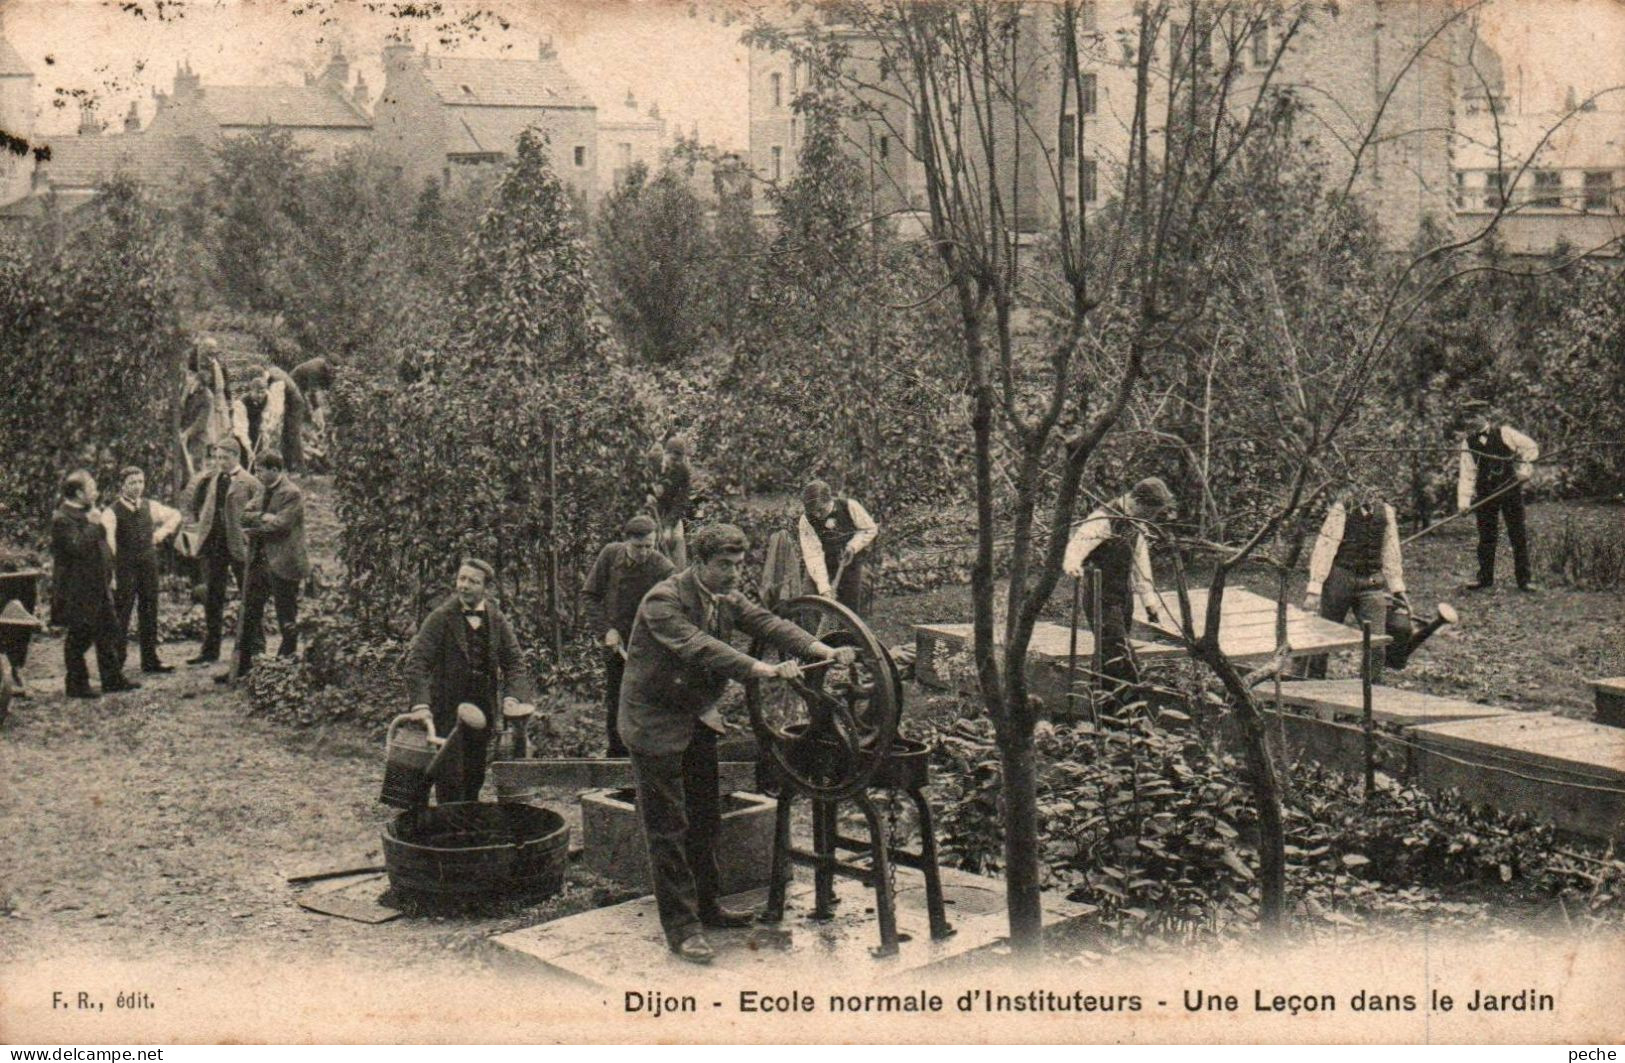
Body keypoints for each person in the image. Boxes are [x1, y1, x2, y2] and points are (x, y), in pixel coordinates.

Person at [619, 523, 856, 964]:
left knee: (706, 817)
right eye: (724, 565)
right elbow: (699, 647)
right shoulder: (662, 601)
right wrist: (759, 669)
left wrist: (817, 649)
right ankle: (683, 929)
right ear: (699, 563)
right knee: (668, 828)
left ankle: (708, 907)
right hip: (654, 723)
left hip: (696, 717)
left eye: (738, 564)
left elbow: (767, 622)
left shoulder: (726, 595)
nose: (733, 574)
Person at [405, 558, 537, 804]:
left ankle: (466, 827)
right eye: (461, 579)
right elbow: (417, 664)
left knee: (475, 775)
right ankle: (451, 830)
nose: (464, 586)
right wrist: (421, 705)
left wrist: (512, 698)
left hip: (482, 713)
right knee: (449, 778)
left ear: (486, 588)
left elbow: (515, 663)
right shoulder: (441, 618)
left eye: (473, 581)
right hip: (447, 711)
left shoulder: (496, 620)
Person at [1061, 477, 1175, 706]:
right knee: (1121, 653)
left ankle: (1105, 709)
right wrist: (1072, 564)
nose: (1152, 518)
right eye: (1151, 511)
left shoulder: (1137, 524)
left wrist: (1150, 602)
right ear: (1138, 502)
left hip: (1123, 597)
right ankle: (1133, 707)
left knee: (1106, 654)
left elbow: (1140, 566)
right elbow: (1076, 546)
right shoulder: (1103, 518)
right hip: (1100, 595)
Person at [581, 514, 674, 757]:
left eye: (649, 546)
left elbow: (672, 611)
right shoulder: (610, 555)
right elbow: (590, 596)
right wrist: (606, 630)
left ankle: (648, 757)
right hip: (616, 644)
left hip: (650, 646)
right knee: (617, 699)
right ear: (626, 542)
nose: (644, 552)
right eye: (638, 547)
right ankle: (617, 757)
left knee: (647, 701)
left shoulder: (663, 568)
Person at [1302, 487, 1409, 681]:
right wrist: (1315, 588)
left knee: (1377, 644)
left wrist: (1397, 587)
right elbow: (1325, 548)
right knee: (1323, 637)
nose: (1369, 490)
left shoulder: (1386, 512)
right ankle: (1311, 686)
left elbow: (1391, 551)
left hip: (1371, 582)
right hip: (1340, 579)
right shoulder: (1341, 509)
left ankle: (1370, 692)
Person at [50, 470, 139, 698]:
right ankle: (76, 684)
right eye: (91, 488)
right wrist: (93, 525)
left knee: (109, 631)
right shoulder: (62, 518)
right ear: (79, 493)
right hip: (78, 590)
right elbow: (76, 548)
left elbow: (100, 547)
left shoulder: (88, 513)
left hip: (99, 585)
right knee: (79, 637)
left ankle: (112, 679)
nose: (96, 492)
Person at [180, 441, 263, 667]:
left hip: (238, 546)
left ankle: (255, 647)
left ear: (236, 456)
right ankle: (210, 650)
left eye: (225, 458)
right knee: (213, 597)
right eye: (217, 458)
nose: (220, 462)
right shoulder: (213, 479)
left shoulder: (251, 483)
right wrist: (199, 533)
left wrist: (248, 537)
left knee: (249, 594)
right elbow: (203, 509)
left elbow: (258, 515)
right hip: (215, 544)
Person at [228, 450, 308, 680]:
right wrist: (265, 517)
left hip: (284, 562)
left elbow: (282, 525)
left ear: (275, 470)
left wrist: (259, 522)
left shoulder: (292, 493)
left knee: (287, 616)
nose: (257, 475)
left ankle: (286, 667)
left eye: (261, 470)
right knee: (250, 612)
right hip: (259, 562)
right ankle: (245, 667)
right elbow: (244, 516)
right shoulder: (263, 488)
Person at [100, 466, 183, 674]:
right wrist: (111, 574)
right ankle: (116, 662)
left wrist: (159, 535)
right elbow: (109, 546)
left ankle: (150, 659)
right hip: (124, 567)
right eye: (132, 483)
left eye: (140, 482)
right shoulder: (111, 512)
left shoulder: (150, 506)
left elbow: (175, 515)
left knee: (149, 610)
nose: (137, 487)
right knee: (122, 612)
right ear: (122, 485)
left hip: (148, 565)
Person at [1457, 405, 1540, 592]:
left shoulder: (1505, 433)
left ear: (1485, 416)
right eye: (1467, 418)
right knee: (1486, 536)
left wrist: (1524, 471)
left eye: (1474, 416)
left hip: (1509, 490)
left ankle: (1524, 580)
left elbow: (1531, 447)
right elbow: (1467, 473)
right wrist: (1463, 503)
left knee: (1517, 534)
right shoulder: (1468, 443)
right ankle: (1484, 578)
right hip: (1486, 494)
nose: (1470, 421)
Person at [796, 480, 878, 612]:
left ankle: (844, 632)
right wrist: (824, 588)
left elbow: (869, 529)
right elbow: (813, 554)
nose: (817, 515)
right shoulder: (806, 520)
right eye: (812, 512)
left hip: (849, 562)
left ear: (829, 500)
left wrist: (853, 546)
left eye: (820, 510)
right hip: (820, 563)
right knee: (810, 600)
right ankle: (812, 632)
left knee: (848, 607)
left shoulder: (850, 506)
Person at [232, 365, 310, 473]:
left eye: (262, 391)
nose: (260, 395)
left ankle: (298, 468)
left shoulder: (274, 387)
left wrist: (267, 426)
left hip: (294, 404)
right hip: (245, 427)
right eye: (257, 391)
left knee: (292, 434)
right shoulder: (241, 404)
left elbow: (275, 411)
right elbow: (241, 429)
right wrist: (248, 449)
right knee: (246, 450)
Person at [648, 437, 692, 570]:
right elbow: (637, 480)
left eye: (679, 461)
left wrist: (668, 526)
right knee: (651, 541)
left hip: (671, 512)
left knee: (677, 539)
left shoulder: (684, 471)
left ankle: (678, 576)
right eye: (673, 459)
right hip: (648, 510)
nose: (676, 464)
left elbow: (681, 501)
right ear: (665, 453)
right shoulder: (651, 461)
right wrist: (647, 494)